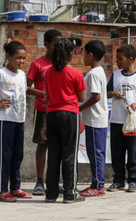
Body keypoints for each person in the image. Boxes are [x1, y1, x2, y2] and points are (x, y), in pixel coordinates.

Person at [0, 41, 39, 202]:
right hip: (5, 120)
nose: (21, 62)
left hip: (19, 119)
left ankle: (15, 188)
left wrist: (45, 93)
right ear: (8, 56)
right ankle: (2, 190)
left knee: (17, 155)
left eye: (24, 58)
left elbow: (25, 90)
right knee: (5, 156)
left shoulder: (21, 75)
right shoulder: (1, 73)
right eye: (18, 58)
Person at [44, 38, 87, 203]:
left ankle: (51, 193)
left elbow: (47, 96)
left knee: (54, 154)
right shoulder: (76, 73)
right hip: (69, 113)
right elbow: (82, 97)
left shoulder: (48, 72)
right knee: (70, 153)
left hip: (52, 113)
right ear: (71, 55)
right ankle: (70, 193)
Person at [107, 44, 136, 193]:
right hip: (116, 120)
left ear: (130, 59)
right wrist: (113, 94)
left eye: (120, 59)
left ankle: (133, 180)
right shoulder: (116, 75)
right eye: (116, 59)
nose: (117, 62)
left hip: (132, 121)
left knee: (133, 152)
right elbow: (106, 93)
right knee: (117, 152)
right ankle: (118, 180)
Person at [26, 29, 62, 195]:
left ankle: (53, 181)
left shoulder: (62, 64)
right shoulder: (37, 64)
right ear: (46, 44)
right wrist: (44, 94)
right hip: (42, 109)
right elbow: (25, 87)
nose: (58, 46)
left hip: (60, 110)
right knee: (42, 144)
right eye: (56, 43)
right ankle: (39, 182)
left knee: (58, 147)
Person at [78, 40, 109, 197]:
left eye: (84, 54)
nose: (82, 57)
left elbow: (96, 97)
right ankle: (95, 182)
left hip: (96, 120)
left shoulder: (93, 74)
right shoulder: (98, 72)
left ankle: (98, 185)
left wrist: (79, 108)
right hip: (95, 120)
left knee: (96, 153)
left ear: (90, 55)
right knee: (94, 153)